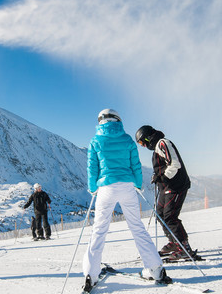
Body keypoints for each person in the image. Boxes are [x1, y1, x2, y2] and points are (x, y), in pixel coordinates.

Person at [82, 109, 171, 292]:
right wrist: (138, 185)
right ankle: (156, 269)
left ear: (100, 122)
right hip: (127, 187)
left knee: (99, 230)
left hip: (106, 187)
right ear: (118, 120)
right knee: (137, 227)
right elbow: (135, 165)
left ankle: (91, 273)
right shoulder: (128, 139)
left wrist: (92, 188)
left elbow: (92, 167)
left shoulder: (95, 140)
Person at [135, 125, 194, 260]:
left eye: (142, 142)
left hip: (176, 185)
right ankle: (174, 242)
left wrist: (163, 177)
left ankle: (184, 247)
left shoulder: (163, 143)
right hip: (166, 187)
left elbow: (175, 163)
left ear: (147, 138)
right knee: (161, 215)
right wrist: (157, 177)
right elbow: (163, 167)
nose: (143, 146)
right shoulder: (157, 148)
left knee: (170, 216)